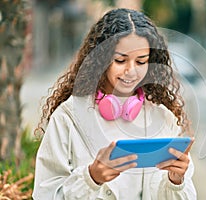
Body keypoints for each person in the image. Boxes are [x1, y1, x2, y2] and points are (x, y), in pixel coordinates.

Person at [32, 8, 197, 199]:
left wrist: (176, 182)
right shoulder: (68, 117)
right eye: (120, 60)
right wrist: (91, 179)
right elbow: (45, 194)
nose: (131, 71)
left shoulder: (163, 118)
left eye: (141, 62)